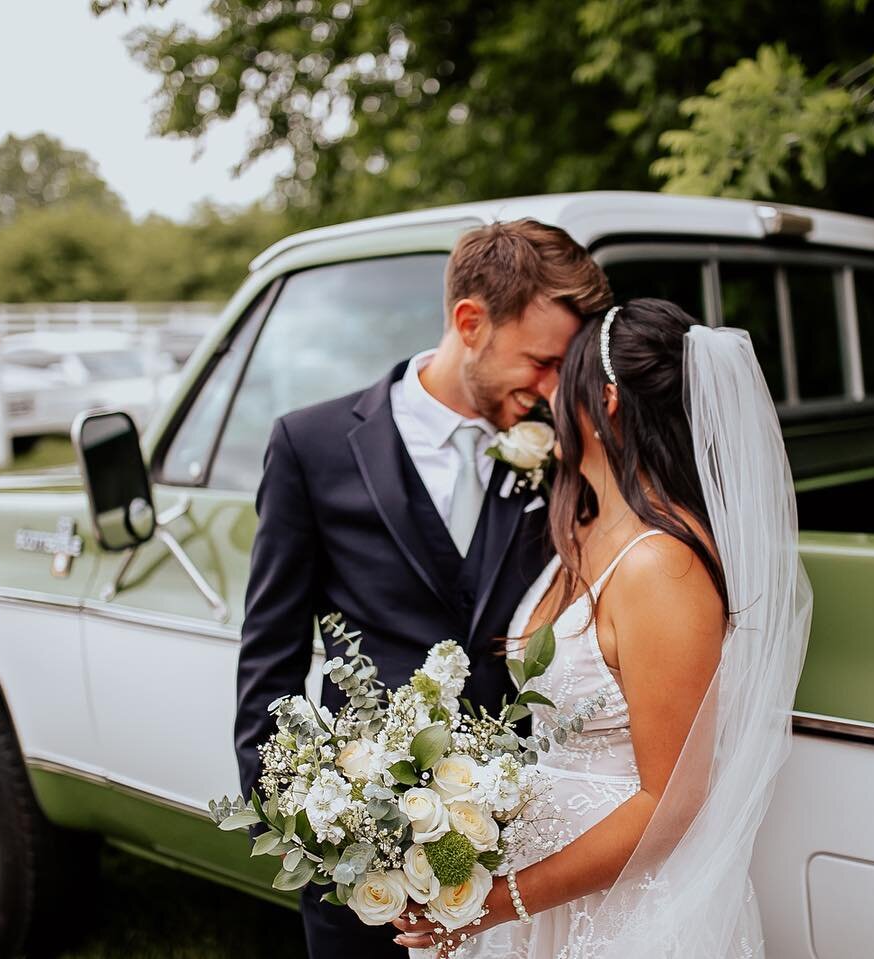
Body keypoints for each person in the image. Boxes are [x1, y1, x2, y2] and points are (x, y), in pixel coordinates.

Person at [235, 219, 613, 959]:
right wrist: (302, 830)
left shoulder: (562, 453)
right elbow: (268, 659)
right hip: (364, 854)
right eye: (539, 362)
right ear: (470, 322)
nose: (548, 390)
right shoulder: (310, 447)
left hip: (519, 847)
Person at [393, 299, 814, 958]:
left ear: (607, 401)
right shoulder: (585, 526)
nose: (543, 391)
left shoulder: (660, 566)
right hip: (543, 881)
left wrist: (500, 902)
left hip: (619, 906)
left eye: (561, 376)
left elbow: (669, 800)